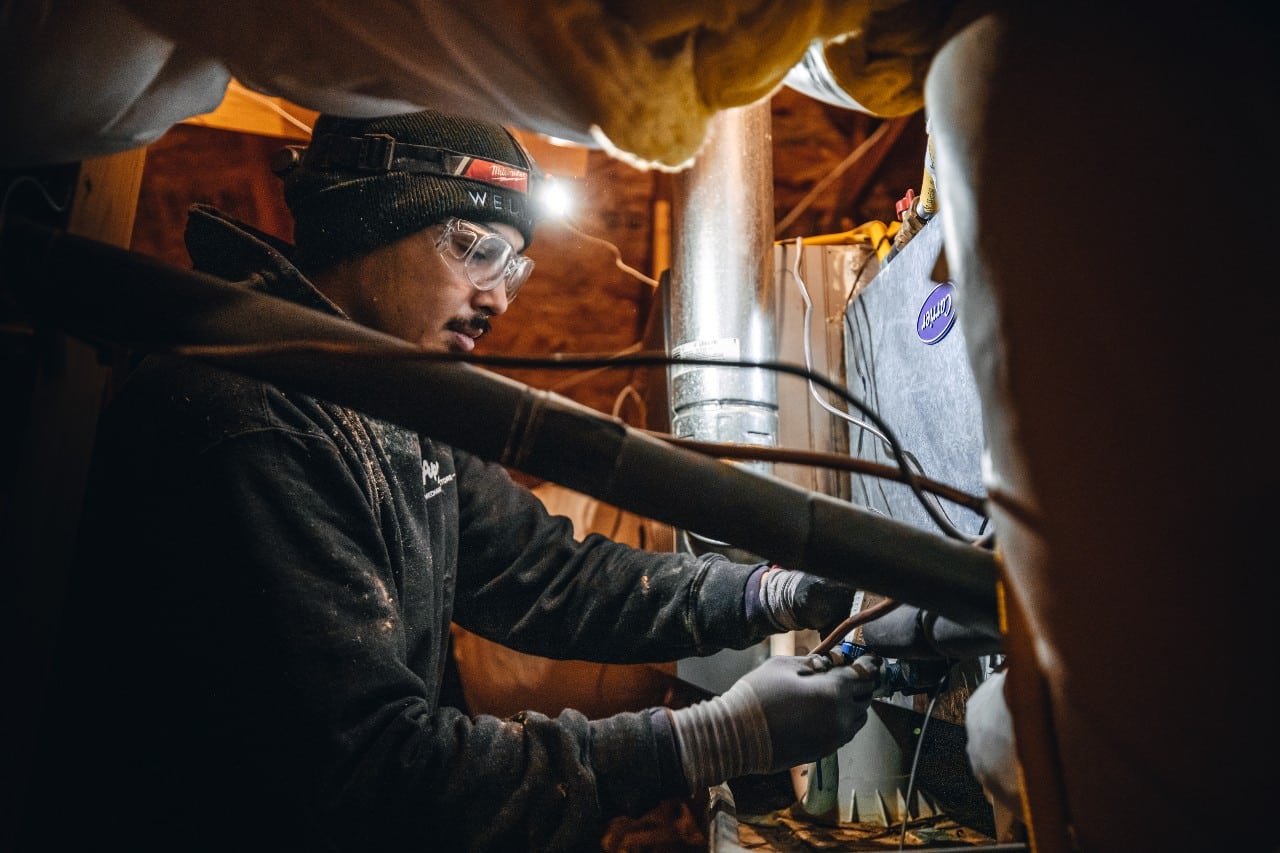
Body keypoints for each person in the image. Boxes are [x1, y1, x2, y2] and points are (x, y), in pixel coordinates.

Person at [19, 108, 882, 852]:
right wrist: (712, 738)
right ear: (372, 220)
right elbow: (377, 772)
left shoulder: (389, 406)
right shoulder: (248, 418)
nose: (500, 297)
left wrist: (778, 590)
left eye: (515, 267)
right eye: (475, 250)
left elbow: (548, 573)